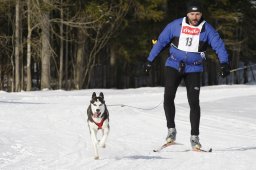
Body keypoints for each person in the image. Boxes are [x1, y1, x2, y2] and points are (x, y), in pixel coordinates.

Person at [145, 2, 230, 150]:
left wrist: (224, 63)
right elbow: (160, 42)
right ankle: (171, 131)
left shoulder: (207, 29)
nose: (195, 17)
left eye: (197, 14)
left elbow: (219, 45)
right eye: (192, 14)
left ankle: (194, 138)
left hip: (194, 68)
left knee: (194, 102)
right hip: (174, 65)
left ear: (201, 14)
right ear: (187, 14)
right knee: (168, 97)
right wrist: (149, 60)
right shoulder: (175, 25)